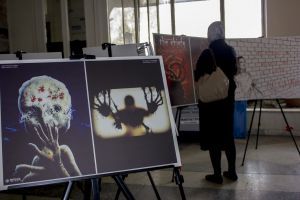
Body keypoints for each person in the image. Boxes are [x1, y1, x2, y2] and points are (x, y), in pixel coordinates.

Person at [194, 21, 238, 184]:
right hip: (227, 101)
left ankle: (217, 174)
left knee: (214, 139)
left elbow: (198, 75)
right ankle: (232, 172)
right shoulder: (230, 50)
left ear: (210, 35)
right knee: (227, 136)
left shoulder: (208, 52)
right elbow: (234, 72)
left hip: (211, 105)